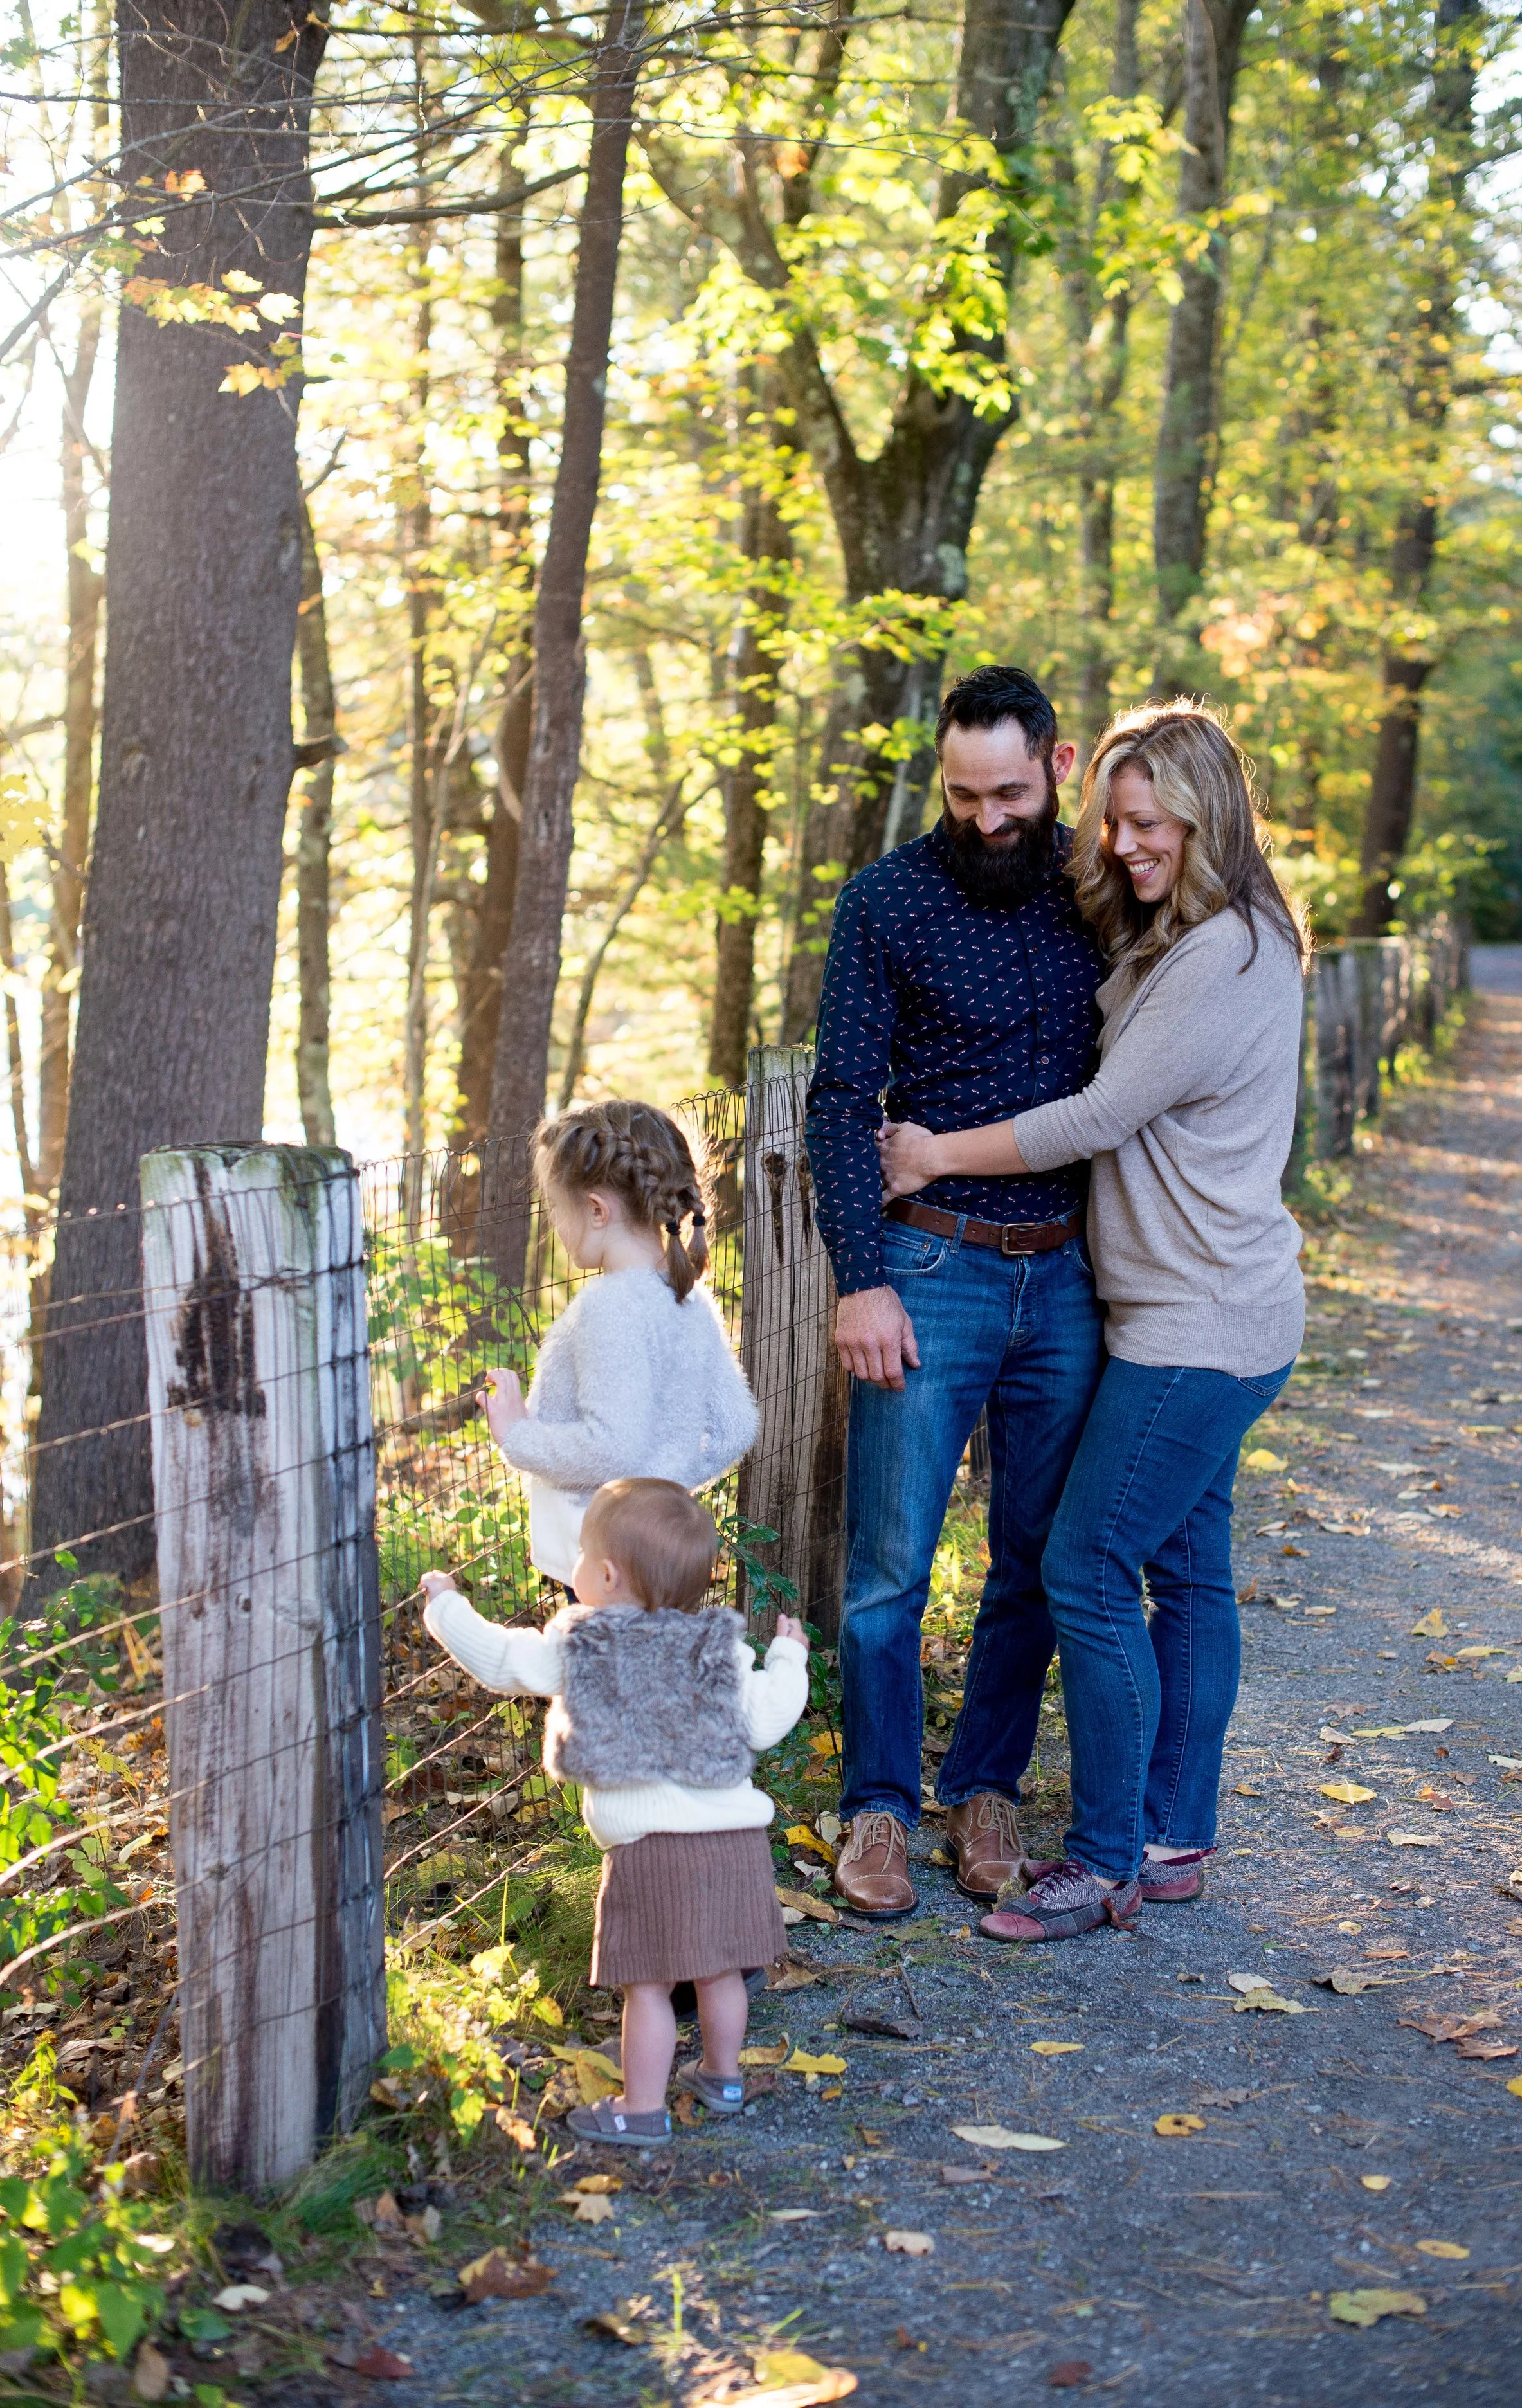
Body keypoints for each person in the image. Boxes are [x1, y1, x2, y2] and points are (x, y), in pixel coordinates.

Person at [878, 699, 1309, 1942]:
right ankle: (1174, 1837)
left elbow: (1095, 1117)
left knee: (1083, 1563)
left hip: (1198, 1323)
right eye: (1114, 821)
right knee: (1186, 1570)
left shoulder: (1222, 956)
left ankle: (1107, 1859)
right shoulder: (1205, 936)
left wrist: (929, 1153)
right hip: (1210, 1306)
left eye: (1148, 822)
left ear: (1207, 816)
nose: (1123, 844)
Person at [805, 666, 1105, 1918]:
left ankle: (982, 1787)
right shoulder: (884, 902)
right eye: (962, 793)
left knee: (1032, 1559)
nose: (986, 817)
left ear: (1060, 765)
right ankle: (875, 1804)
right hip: (928, 1267)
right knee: (887, 1564)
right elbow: (837, 1102)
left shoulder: (1105, 892)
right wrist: (859, 1284)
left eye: (1010, 792)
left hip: (1074, 1278)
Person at [421, 1478, 809, 2144]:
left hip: (649, 1848)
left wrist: (446, 1605)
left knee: (649, 1987)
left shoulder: (585, 1645)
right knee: (720, 1968)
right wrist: (789, 1655)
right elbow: (770, 1715)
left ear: (603, 1574)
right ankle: (723, 2077)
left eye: (578, 1557)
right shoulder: (715, 1649)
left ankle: (641, 2108)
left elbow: (502, 1658)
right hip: (737, 1839)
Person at [475, 1100, 759, 1589]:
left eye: (556, 1209)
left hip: (597, 1557)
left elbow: (614, 1448)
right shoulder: (686, 1298)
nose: (555, 1227)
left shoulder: (610, 1307)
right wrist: (664, 1486)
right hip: (651, 1556)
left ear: (596, 1210)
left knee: (596, 1666)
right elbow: (737, 1426)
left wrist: (518, 1438)